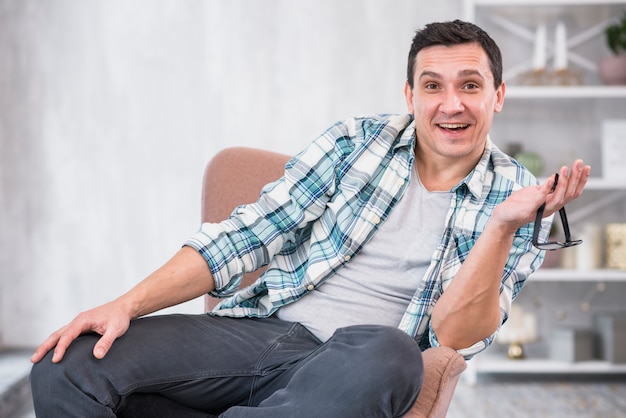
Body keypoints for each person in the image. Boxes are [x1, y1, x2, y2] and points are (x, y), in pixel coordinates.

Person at [30, 19, 590, 418]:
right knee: (68, 363)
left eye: (471, 85)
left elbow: (455, 335)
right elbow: (247, 236)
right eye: (433, 86)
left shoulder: (521, 197)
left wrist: (501, 227)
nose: (452, 104)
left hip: (357, 363)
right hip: (261, 334)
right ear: (409, 94)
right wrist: (123, 305)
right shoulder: (355, 142)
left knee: (395, 355)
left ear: (498, 96)